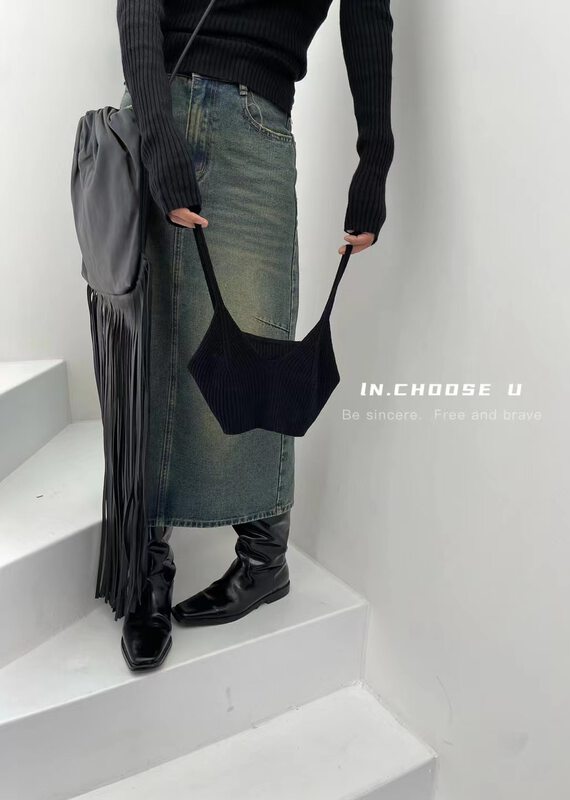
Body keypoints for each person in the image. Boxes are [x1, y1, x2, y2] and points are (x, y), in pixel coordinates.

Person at [115, 0, 395, 672]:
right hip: (155, 104)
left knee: (252, 337)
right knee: (149, 347)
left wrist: (374, 162)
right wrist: (157, 134)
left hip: (256, 122)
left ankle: (264, 559)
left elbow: (367, 21)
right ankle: (146, 563)